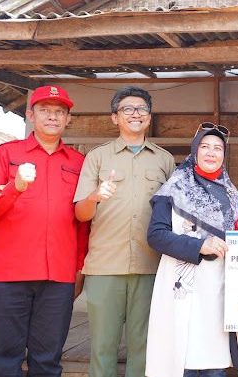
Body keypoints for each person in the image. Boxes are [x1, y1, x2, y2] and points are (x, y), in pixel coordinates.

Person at [0, 85, 88, 377]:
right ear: (30, 114)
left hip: (57, 276)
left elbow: (83, 222)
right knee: (4, 361)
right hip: (7, 275)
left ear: (68, 119)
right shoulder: (6, 154)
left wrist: (78, 269)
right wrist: (15, 188)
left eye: (59, 111)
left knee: (48, 362)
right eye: (45, 110)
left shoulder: (78, 163)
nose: (53, 117)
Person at [74, 86, 174, 377]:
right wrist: (94, 197)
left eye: (141, 109)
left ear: (149, 117)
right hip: (105, 266)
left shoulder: (164, 160)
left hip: (150, 265)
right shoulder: (97, 157)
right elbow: (81, 213)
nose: (135, 114)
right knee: (103, 347)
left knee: (143, 346)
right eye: (127, 109)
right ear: (114, 117)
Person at [145, 122, 238, 377]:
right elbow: (156, 236)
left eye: (217, 148)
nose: (211, 153)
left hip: (219, 286)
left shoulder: (231, 193)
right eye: (205, 146)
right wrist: (199, 245)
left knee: (215, 360)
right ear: (194, 151)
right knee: (183, 357)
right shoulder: (173, 189)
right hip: (184, 283)